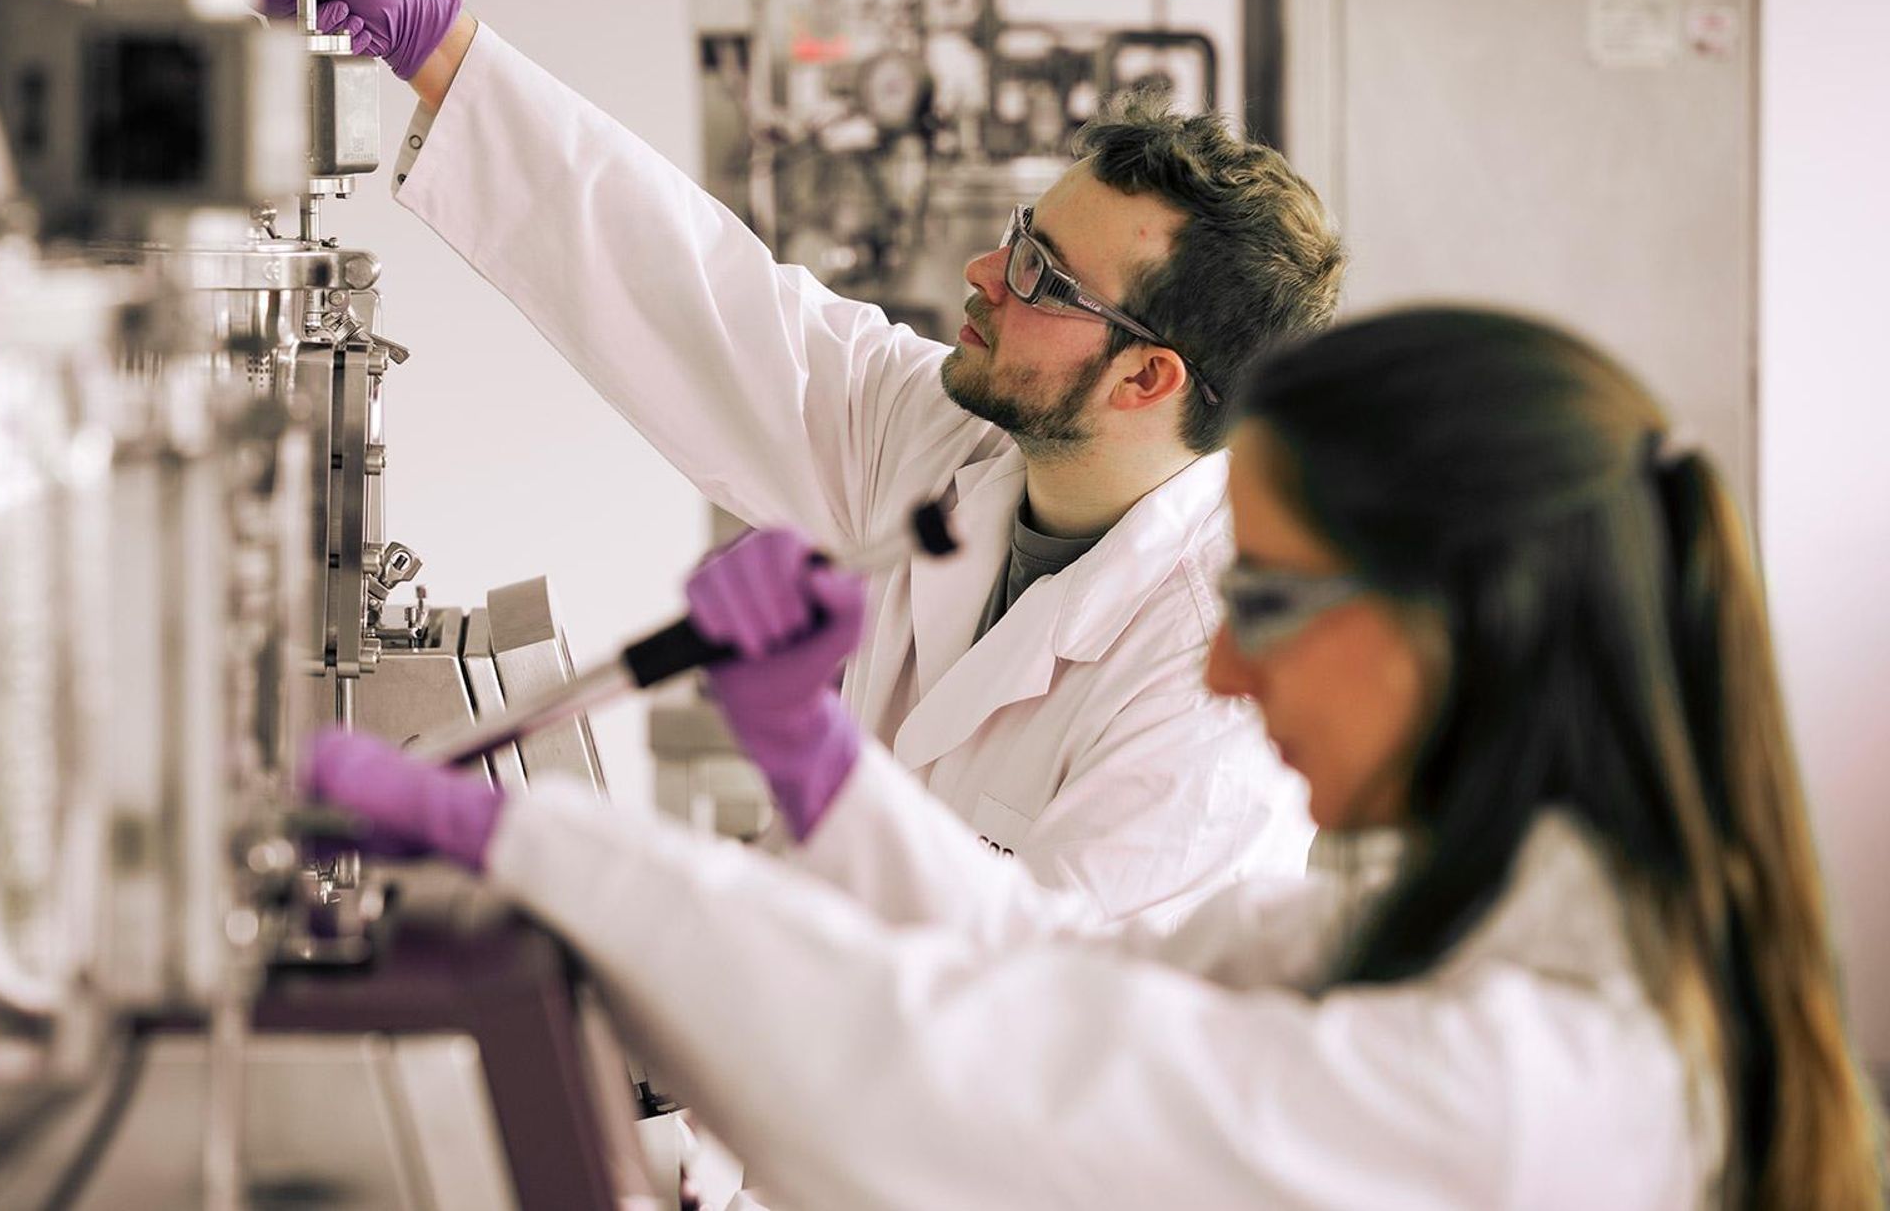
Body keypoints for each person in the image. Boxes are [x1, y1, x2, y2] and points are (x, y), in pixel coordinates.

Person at [305, 308, 1886, 1210]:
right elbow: (1060, 972)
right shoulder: (1462, 920)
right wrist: (810, 754)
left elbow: (964, 1105)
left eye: (1263, 601)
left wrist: (547, 848)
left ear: (1459, 618)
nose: (1218, 662)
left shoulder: (1538, 1082)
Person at [252, 0, 1345, 921]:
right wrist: (447, 54)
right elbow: (703, 299)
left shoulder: (1221, 689)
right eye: (1021, 235)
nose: (982, 275)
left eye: (1039, 276)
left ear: (1148, 377)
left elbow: (1031, 1026)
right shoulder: (952, 446)